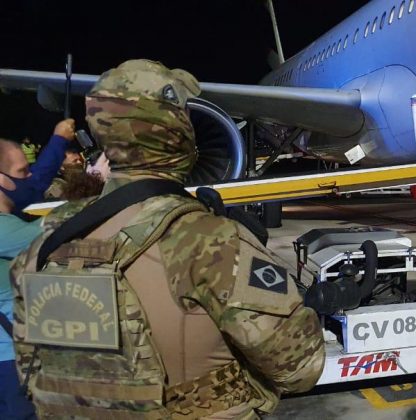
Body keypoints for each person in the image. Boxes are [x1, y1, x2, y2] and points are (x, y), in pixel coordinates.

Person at [8, 59, 325, 418]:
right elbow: (301, 368)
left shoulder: (48, 240)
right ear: (177, 130)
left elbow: (31, 368)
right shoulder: (208, 241)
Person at [0, 140, 43, 419]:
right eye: (22, 171)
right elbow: (59, 228)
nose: (30, 177)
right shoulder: (6, 232)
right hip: (11, 363)